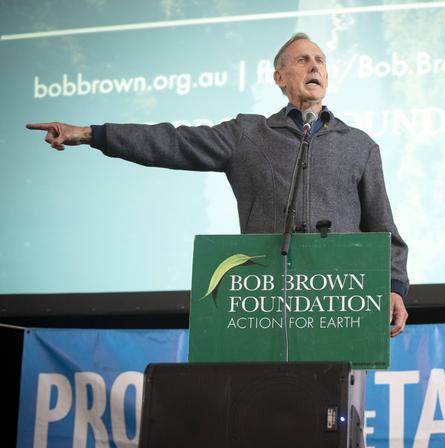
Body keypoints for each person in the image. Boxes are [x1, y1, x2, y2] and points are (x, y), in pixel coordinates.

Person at [26, 33, 409, 335]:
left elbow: (383, 227)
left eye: (320, 60)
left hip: (339, 305)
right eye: (302, 59)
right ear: (280, 77)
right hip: (266, 306)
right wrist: (93, 134)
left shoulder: (359, 145)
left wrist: (394, 287)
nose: (315, 66)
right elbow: (172, 142)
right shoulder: (249, 135)